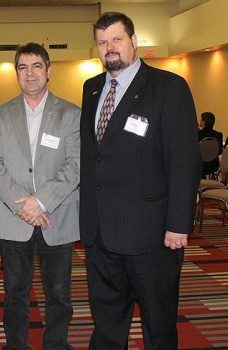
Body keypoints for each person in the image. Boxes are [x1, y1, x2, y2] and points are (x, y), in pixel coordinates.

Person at [79, 12, 201, 349]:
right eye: (103, 42)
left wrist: (179, 224)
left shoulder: (168, 87)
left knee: (158, 326)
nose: (109, 48)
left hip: (151, 235)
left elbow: (183, 160)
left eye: (116, 40)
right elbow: (94, 158)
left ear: (134, 42)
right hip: (100, 234)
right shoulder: (91, 89)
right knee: (106, 324)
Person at [0, 42, 80, 350]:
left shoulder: (70, 114)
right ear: (16, 74)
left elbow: (75, 164)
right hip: (15, 219)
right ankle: (16, 345)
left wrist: (41, 202)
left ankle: (56, 345)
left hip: (58, 216)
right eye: (23, 67)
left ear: (49, 71)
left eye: (36, 66)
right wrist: (25, 205)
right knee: (14, 292)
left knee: (59, 293)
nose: (30, 73)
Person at [198, 112, 223, 177]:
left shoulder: (198, 134)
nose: (200, 121)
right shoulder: (219, 135)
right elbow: (219, 152)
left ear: (204, 122)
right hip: (213, 165)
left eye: (201, 120)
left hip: (200, 164)